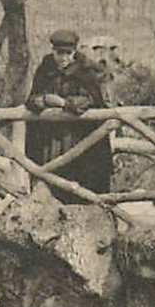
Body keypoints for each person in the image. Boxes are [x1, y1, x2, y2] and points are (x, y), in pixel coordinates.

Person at [26, 29, 112, 203]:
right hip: (51, 140)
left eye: (68, 53)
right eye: (59, 53)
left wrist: (63, 103)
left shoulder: (85, 71)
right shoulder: (45, 69)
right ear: (53, 51)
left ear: (74, 52)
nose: (63, 58)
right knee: (51, 177)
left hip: (78, 137)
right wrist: (41, 100)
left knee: (78, 177)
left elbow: (90, 99)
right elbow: (32, 97)